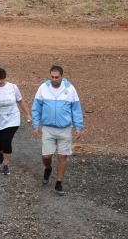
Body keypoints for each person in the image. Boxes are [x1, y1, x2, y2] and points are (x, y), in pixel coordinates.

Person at [32, 65, 84, 196]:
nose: (54, 80)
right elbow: (36, 108)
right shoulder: (43, 88)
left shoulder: (70, 89)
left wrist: (78, 127)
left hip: (65, 129)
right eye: (52, 77)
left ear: (62, 76)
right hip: (48, 129)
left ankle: (59, 182)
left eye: (57, 77)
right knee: (46, 156)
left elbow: (76, 109)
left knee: (62, 156)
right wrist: (36, 125)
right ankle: (48, 168)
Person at [0, 68, 32, 175]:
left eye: (1, 79)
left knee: (7, 141)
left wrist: (28, 115)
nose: (0, 81)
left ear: (5, 77)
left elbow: (21, 101)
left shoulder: (13, 87)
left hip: (12, 119)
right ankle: (1, 152)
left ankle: (6, 165)